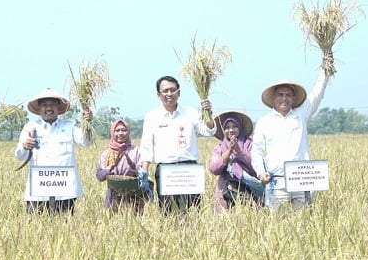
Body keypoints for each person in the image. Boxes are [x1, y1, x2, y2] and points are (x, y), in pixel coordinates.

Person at [251, 56, 331, 212]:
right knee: (276, 226)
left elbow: (317, 94)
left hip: (302, 181)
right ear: (273, 98)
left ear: (294, 99)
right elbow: (257, 151)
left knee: (304, 224)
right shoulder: (264, 122)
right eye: (280, 95)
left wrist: (325, 68)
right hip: (276, 182)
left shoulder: (300, 115)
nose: (284, 98)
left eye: (288, 95)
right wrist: (260, 172)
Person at [139, 76, 214, 214]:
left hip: (189, 169)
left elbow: (208, 131)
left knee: (194, 212)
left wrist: (208, 113)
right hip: (166, 170)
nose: (169, 94)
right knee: (168, 213)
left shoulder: (191, 112)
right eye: (165, 91)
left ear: (179, 93)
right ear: (158, 95)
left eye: (173, 90)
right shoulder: (152, 116)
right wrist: (144, 171)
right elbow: (146, 146)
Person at [15, 88, 92, 215]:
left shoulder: (69, 126)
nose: (48, 108)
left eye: (52, 104)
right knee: (35, 228)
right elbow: (19, 156)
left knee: (65, 229)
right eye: (44, 105)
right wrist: (25, 146)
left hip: (65, 191)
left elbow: (86, 141)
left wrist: (87, 123)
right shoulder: (30, 128)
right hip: (38, 191)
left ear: (59, 107)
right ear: (39, 109)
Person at [209, 111, 261, 213]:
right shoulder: (219, 148)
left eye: (234, 126)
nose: (231, 130)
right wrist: (229, 151)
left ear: (240, 128)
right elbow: (214, 169)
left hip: (249, 189)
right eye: (227, 127)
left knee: (250, 221)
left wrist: (239, 151)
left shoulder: (249, 144)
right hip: (225, 191)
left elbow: (256, 164)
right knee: (225, 222)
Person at [95, 119, 147, 215]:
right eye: (117, 130)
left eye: (124, 130)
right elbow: (99, 176)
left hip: (134, 196)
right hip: (113, 197)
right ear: (112, 132)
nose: (120, 133)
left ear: (128, 132)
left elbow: (143, 174)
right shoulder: (107, 154)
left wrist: (133, 166)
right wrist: (111, 167)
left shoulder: (136, 151)